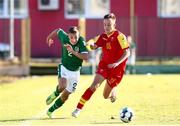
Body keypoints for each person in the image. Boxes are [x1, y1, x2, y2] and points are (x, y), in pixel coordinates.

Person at [72, 13, 130, 118]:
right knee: (94, 86)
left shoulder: (120, 36)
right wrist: (91, 46)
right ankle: (78, 109)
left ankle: (113, 89)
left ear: (114, 24)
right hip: (104, 66)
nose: (106, 27)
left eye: (109, 25)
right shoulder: (102, 37)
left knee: (105, 96)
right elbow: (95, 46)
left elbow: (127, 53)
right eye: (105, 25)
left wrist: (117, 63)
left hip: (117, 70)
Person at [46, 26, 88, 118]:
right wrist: (49, 38)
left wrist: (73, 51)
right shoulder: (65, 38)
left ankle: (50, 110)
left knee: (65, 96)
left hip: (76, 72)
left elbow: (86, 57)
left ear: (79, 35)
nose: (74, 40)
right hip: (64, 67)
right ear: (68, 36)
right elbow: (58, 30)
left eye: (76, 37)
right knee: (62, 86)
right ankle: (55, 93)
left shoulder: (81, 41)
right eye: (71, 37)